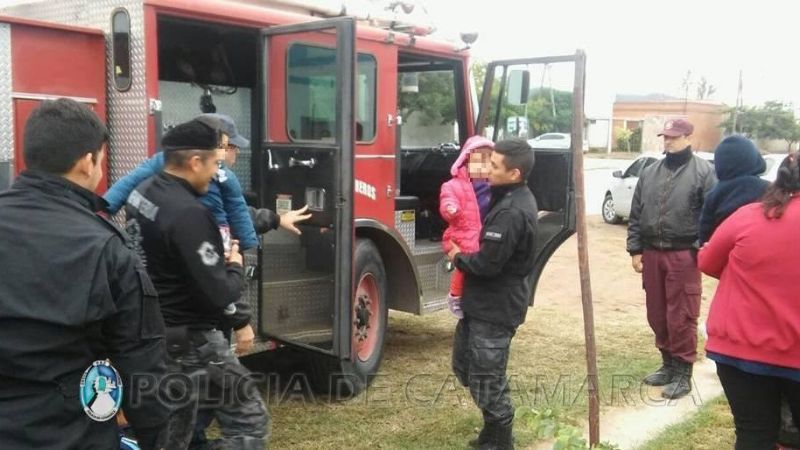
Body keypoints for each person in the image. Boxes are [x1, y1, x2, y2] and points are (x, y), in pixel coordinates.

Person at [0, 98, 169, 449]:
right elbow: (142, 368)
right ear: (87, 161)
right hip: (67, 432)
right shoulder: (106, 248)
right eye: (101, 160)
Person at [125, 119, 268, 449]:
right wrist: (234, 267)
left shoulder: (141, 194)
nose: (216, 173)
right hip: (193, 343)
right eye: (214, 164)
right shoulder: (189, 214)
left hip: (154, 336)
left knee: (176, 432)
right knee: (250, 424)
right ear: (194, 162)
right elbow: (218, 292)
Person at [698, 153, 800, 449]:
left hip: (740, 349)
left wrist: (750, 271)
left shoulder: (749, 214)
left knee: (753, 432)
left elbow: (707, 260)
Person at [447, 139, 539, 450]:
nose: (487, 169)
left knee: (487, 378)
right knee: (465, 369)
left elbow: (487, 264)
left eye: (495, 165)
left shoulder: (512, 211)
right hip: (481, 305)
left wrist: (458, 256)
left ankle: (501, 439)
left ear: (514, 174)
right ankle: (492, 429)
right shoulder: (505, 199)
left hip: (496, 309)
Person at [104, 113, 310, 248]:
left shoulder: (161, 172)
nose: (237, 151)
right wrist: (247, 247)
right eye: (232, 146)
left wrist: (276, 219)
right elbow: (235, 211)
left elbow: (127, 183)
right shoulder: (224, 178)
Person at [626, 118, 717, 400]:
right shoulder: (650, 172)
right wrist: (635, 248)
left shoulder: (704, 172)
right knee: (657, 313)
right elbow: (636, 214)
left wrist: (702, 246)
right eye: (665, 136)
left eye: (674, 137)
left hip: (684, 254)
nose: (668, 141)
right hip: (653, 252)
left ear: (689, 138)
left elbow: (711, 214)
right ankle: (667, 364)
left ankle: (683, 372)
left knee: (682, 315)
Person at [440, 135, 494, 318]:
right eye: (479, 160)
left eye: (488, 161)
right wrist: (450, 209)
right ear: (467, 160)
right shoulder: (453, 185)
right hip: (462, 233)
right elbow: (447, 199)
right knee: (463, 268)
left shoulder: (492, 186)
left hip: (481, 233)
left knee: (479, 266)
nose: (483, 166)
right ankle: (455, 296)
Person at [698, 135, 768, 245]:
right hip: (763, 254)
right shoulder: (771, 190)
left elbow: (705, 236)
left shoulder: (715, 194)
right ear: (753, 158)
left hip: (725, 256)